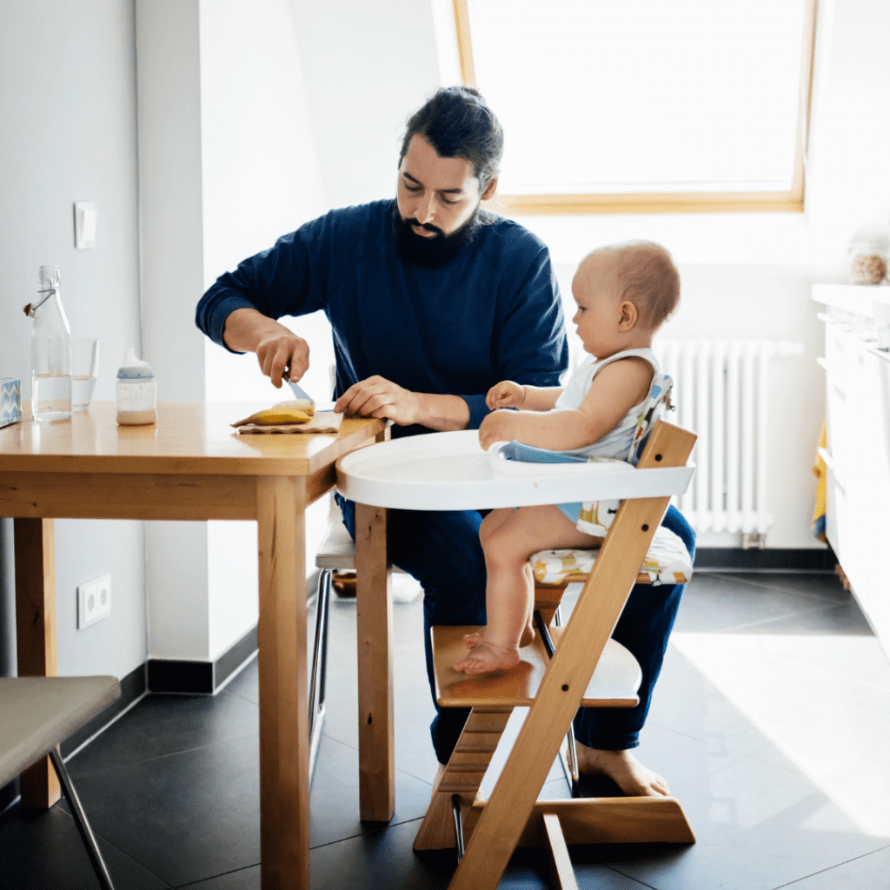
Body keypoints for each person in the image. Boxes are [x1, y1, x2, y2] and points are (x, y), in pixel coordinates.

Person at [195, 86, 694, 798]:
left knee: (665, 529)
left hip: (511, 472)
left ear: (488, 189)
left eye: (449, 197)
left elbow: (537, 392)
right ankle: (464, 772)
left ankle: (604, 745)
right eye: (410, 186)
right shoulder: (346, 238)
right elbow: (220, 297)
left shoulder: (519, 258)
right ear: (398, 167)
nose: (423, 212)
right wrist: (265, 331)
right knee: (466, 557)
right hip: (386, 478)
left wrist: (424, 403)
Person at [455, 241, 680, 675]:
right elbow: (569, 401)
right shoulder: (610, 367)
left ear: (624, 315)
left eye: (582, 308)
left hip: (594, 507)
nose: (574, 319)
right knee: (493, 528)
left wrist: (513, 424)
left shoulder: (628, 370)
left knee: (505, 543)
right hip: (581, 494)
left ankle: (502, 646)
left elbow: (582, 425)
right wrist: (525, 397)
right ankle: (513, 627)